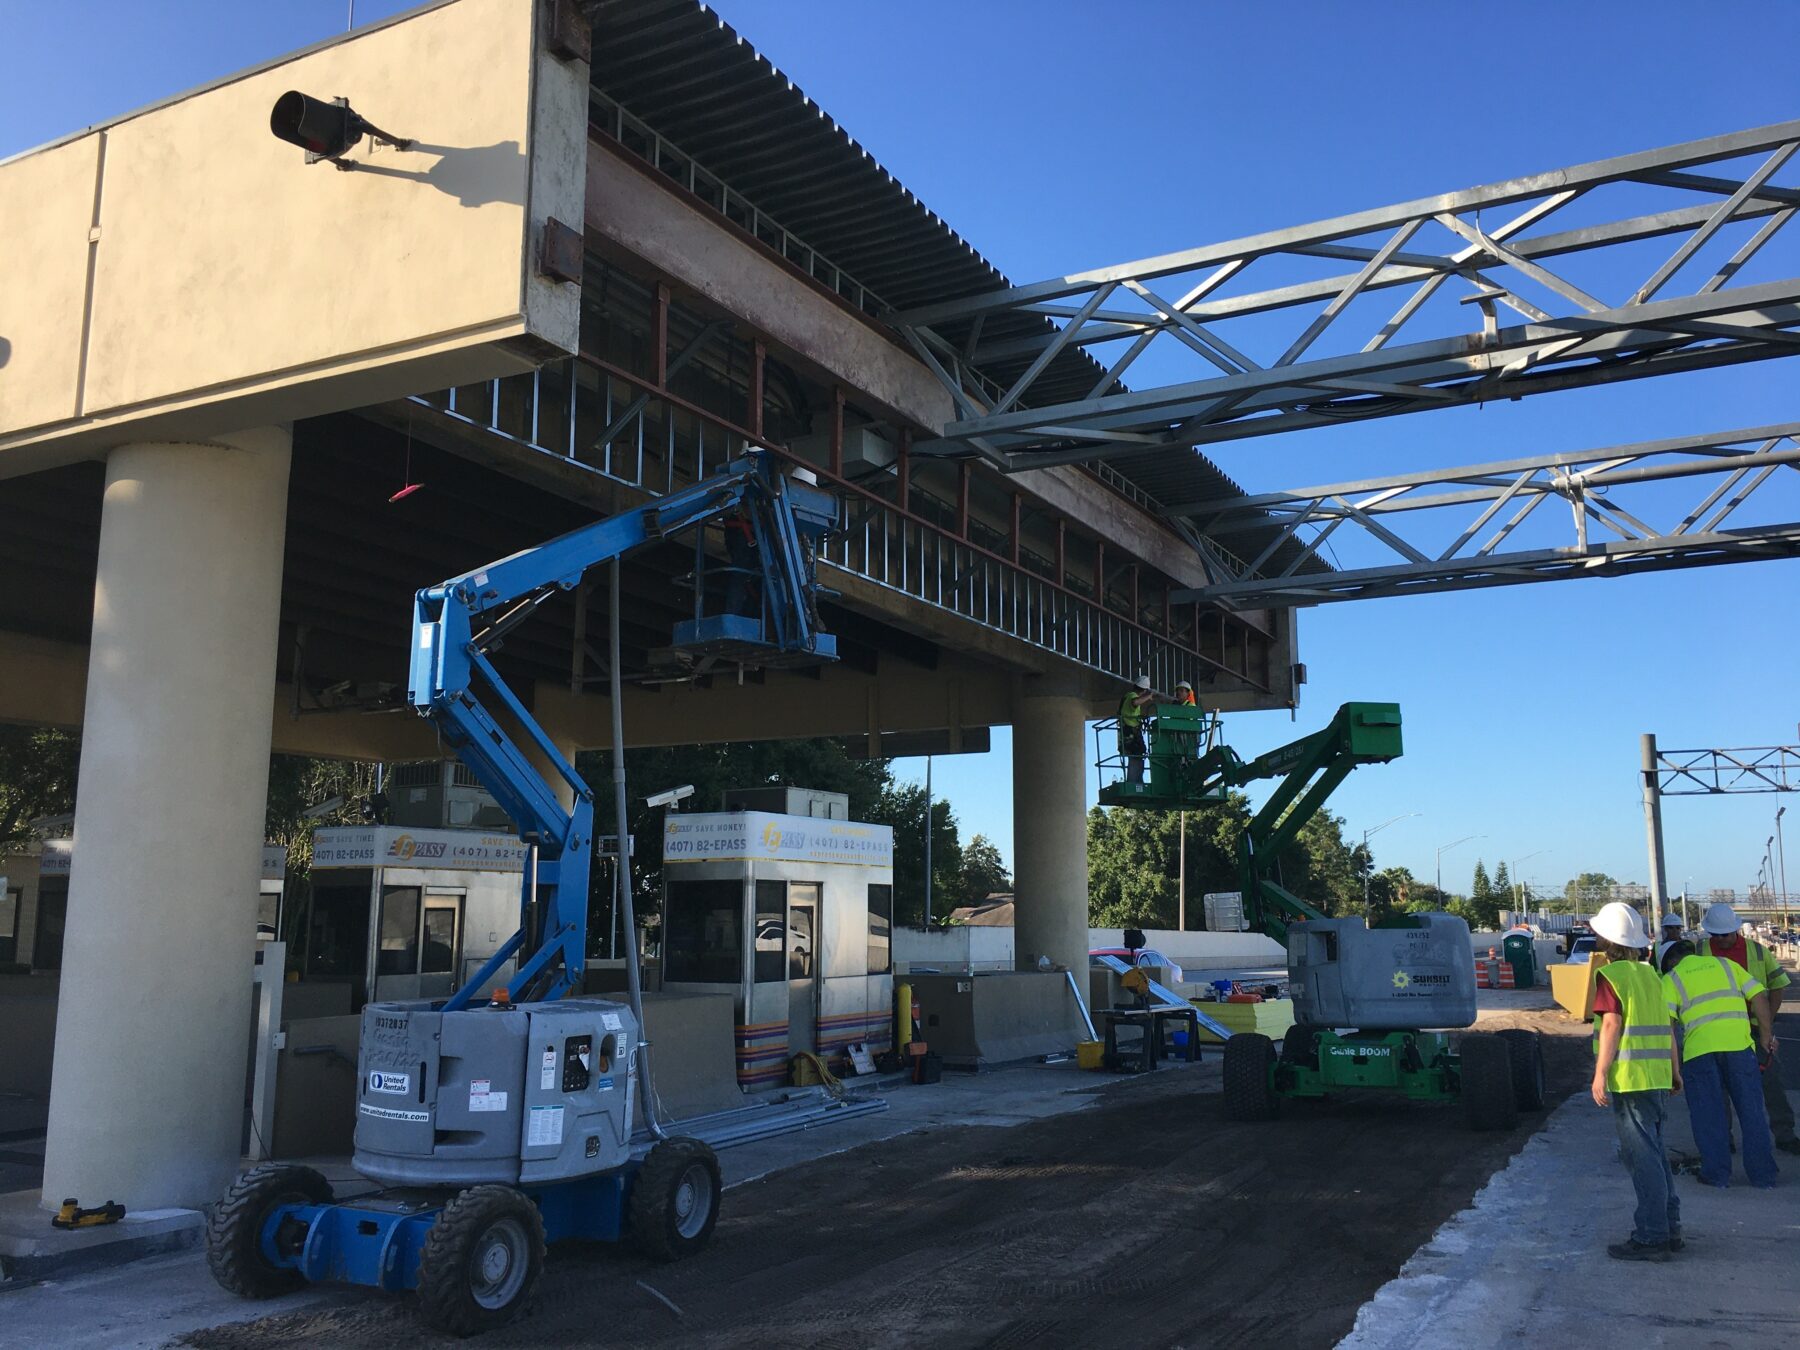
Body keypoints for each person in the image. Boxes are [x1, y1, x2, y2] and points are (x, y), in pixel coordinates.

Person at [1589, 902, 1682, 1260]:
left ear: (1606, 940)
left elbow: (1611, 1025)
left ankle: (1652, 1236)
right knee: (1655, 1155)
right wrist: (1675, 1071)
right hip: (1656, 1076)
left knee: (1641, 1158)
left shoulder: (1612, 977)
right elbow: (1669, 1028)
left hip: (1630, 1079)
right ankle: (1670, 1229)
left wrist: (1600, 1074)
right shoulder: (1651, 975)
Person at [1662, 928, 1779, 1189]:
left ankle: (1716, 1176)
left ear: (1670, 962)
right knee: (1752, 1113)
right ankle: (1763, 1177)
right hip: (1739, 1047)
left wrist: (1674, 1069)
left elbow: (1667, 1028)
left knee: (1708, 1115)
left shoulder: (1671, 979)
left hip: (1699, 1054)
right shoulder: (1726, 965)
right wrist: (1766, 1036)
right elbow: (1759, 995)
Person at [1694, 901, 1798, 1155]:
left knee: (1771, 1083)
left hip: (1752, 1029)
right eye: (1716, 935)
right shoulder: (1699, 952)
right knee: (1719, 1089)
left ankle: (1785, 1135)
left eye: (1725, 935)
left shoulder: (1758, 952)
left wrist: (1767, 1023)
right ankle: (1724, 1139)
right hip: (1714, 1031)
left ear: (1736, 930)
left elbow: (1777, 986)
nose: (1721, 940)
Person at [1117, 675, 1155, 785]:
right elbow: (1135, 703)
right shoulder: (1132, 696)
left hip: (1128, 731)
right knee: (1137, 754)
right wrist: (1149, 697)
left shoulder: (1127, 696)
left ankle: (1135, 780)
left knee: (1137, 754)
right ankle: (1134, 782)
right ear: (1144, 690)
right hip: (1130, 732)